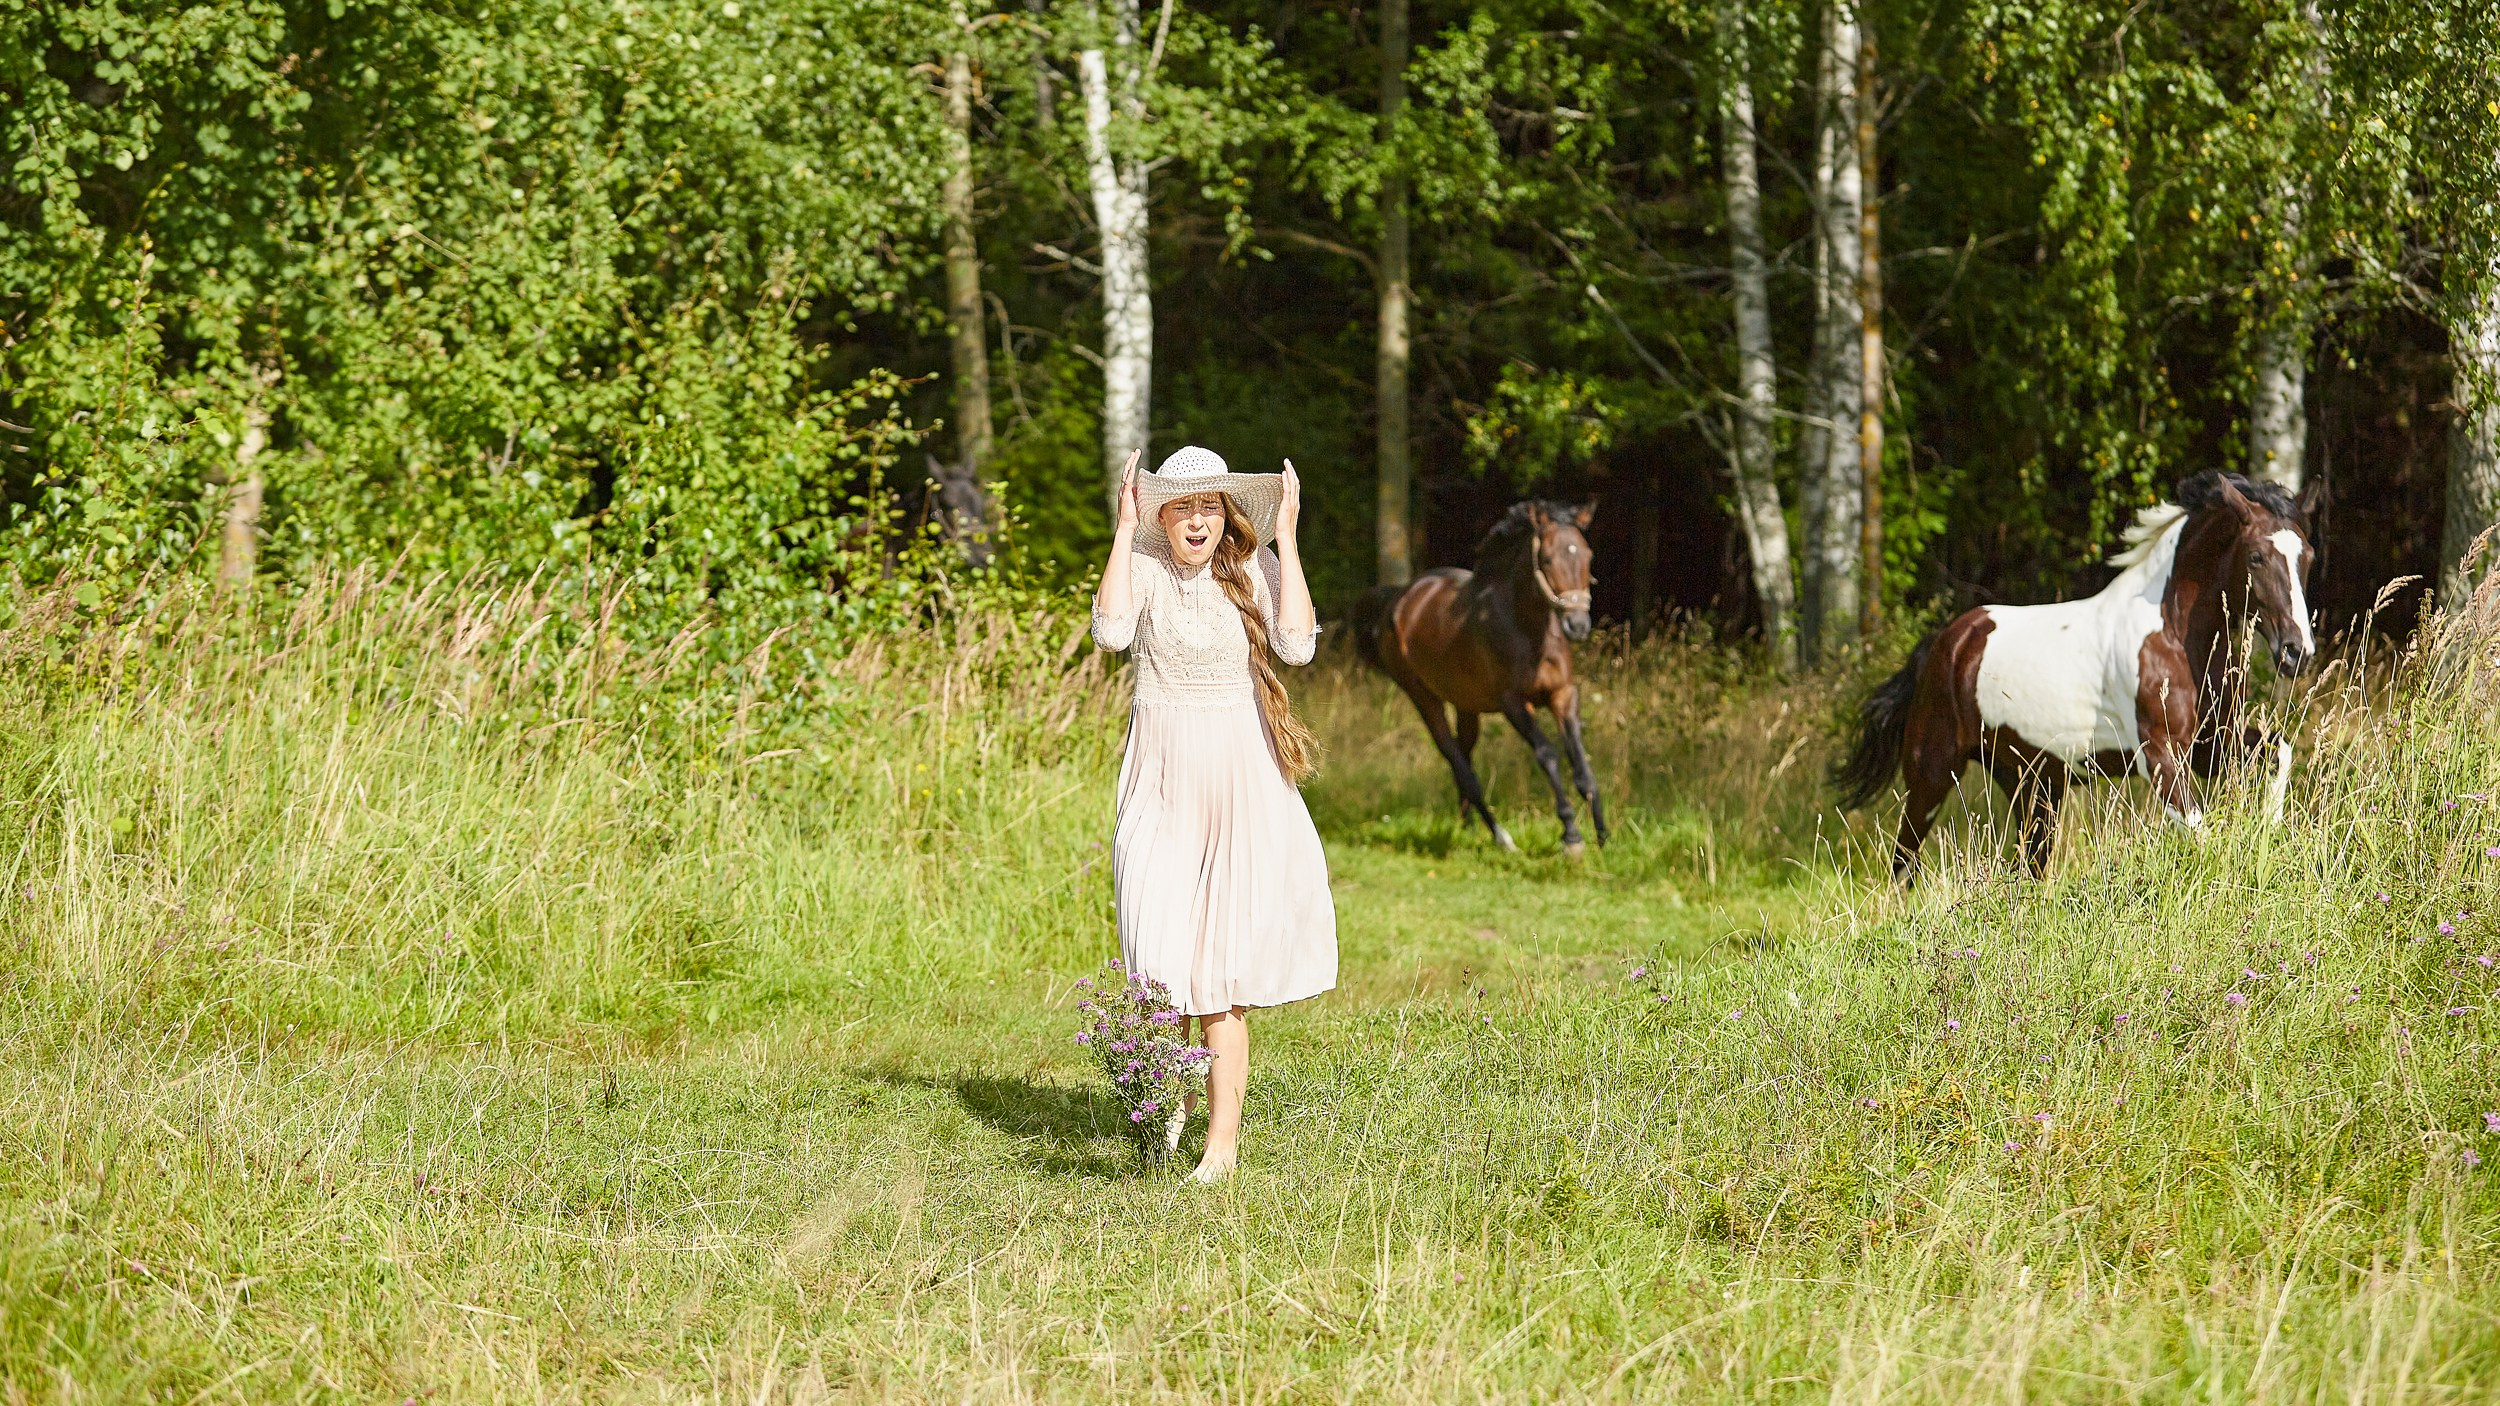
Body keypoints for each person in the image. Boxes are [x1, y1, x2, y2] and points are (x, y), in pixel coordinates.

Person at [1089, 445, 1336, 1184]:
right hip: (1159, 781)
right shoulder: (1145, 568)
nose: (1196, 520)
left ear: (1224, 513)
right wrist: (1121, 532)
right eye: (1181, 506)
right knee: (1155, 954)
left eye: (1208, 506)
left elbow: (1296, 646)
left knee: (1219, 975)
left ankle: (1219, 1149)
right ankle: (1163, 1103)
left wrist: (1286, 539)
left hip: (1238, 781)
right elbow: (1110, 634)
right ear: (1161, 516)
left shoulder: (1249, 573)